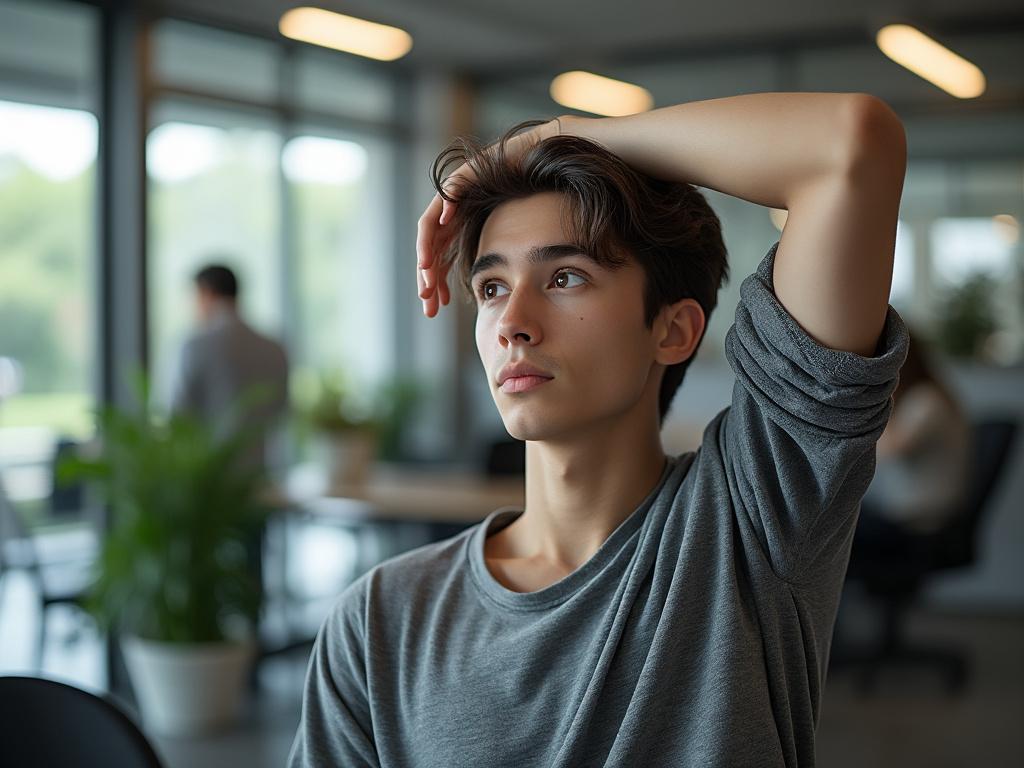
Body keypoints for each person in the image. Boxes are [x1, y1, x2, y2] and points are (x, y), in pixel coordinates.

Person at [289, 93, 909, 767]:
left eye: (564, 277)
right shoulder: (381, 619)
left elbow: (852, 145)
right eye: (492, 287)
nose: (513, 322)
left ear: (672, 331)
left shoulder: (751, 523)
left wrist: (555, 134)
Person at [848, 328, 971, 574]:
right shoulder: (923, 398)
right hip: (906, 511)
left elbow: (886, 450)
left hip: (922, 517)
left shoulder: (926, 402)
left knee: (830, 531)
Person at [171, 263, 290, 473]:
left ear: (206, 292)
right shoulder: (275, 347)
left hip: (208, 478)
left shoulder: (196, 345)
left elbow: (177, 415)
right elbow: (282, 409)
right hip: (260, 474)